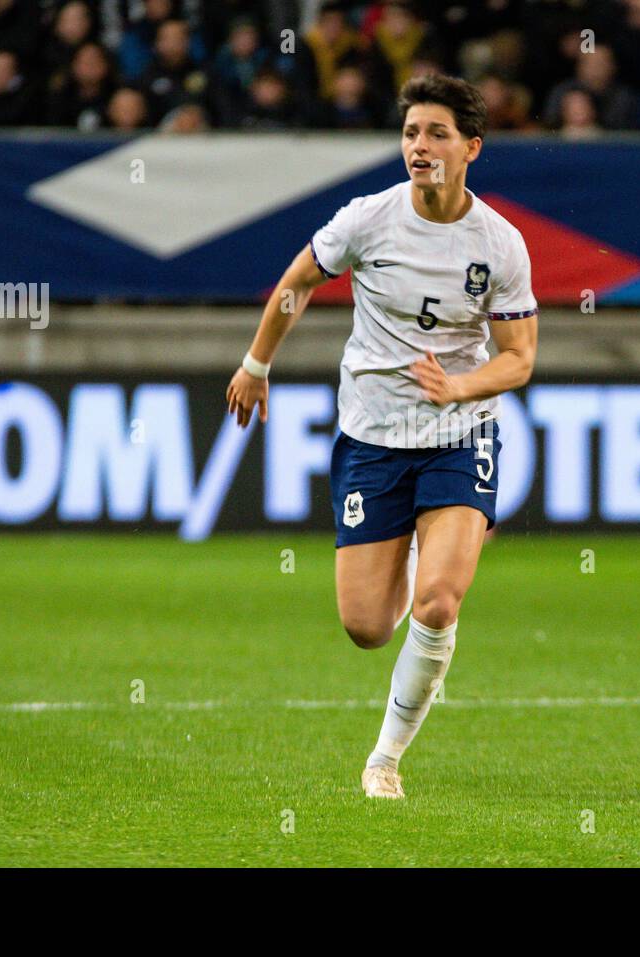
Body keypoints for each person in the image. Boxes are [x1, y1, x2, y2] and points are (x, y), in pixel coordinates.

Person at [225, 74, 538, 800]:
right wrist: (255, 363)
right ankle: (426, 550)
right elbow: (297, 283)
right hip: (373, 433)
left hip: (461, 431)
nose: (419, 147)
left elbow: (520, 359)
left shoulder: (501, 244)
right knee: (367, 626)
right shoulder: (368, 219)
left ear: (471, 149)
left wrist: (460, 387)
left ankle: (385, 759)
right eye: (410, 133)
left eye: (435, 134)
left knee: (437, 604)